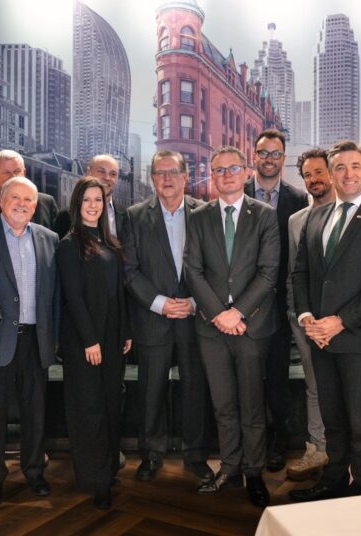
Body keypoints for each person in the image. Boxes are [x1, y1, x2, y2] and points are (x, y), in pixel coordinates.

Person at [289, 140, 361, 502]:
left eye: (355, 166)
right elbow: (300, 273)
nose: (348, 173)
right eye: (340, 167)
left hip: (357, 337)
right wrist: (307, 318)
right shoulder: (316, 217)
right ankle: (334, 482)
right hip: (319, 338)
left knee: (360, 421)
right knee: (333, 419)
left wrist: (339, 321)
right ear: (331, 174)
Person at [184, 145, 279, 508]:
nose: (226, 175)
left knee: (252, 405)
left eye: (233, 168)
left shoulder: (264, 215)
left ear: (246, 172)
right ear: (212, 175)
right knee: (223, 404)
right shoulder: (199, 217)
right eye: (219, 170)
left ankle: (254, 472)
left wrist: (237, 312)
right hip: (211, 329)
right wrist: (218, 314)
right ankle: (230, 467)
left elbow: (268, 272)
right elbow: (193, 271)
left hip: (251, 326)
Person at [121, 151, 212, 484]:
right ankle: (152, 454)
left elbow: (215, 267)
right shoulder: (134, 216)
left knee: (195, 389)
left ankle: (196, 454)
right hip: (153, 319)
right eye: (160, 173)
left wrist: (195, 302)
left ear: (186, 176)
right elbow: (129, 271)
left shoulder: (204, 213)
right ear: (152, 179)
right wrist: (160, 304)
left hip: (194, 317)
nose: (167, 178)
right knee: (151, 391)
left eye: (173, 172)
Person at [0, 177, 59, 504]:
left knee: (35, 412)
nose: (22, 204)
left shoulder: (49, 238)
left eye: (28, 200)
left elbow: (55, 294)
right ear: (1, 200)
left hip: (36, 339)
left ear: (35, 206)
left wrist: (53, 338)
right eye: (15, 198)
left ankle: (35, 472)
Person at [57, 176, 132, 510]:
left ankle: (108, 469)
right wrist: (90, 340)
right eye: (86, 200)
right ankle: (95, 480)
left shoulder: (109, 242)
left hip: (112, 339)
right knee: (89, 410)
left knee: (110, 406)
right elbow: (73, 298)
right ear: (77, 204)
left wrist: (125, 332)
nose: (92, 206)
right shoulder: (69, 244)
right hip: (85, 342)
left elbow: (119, 293)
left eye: (98, 200)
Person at [244, 130, 308, 471]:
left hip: (281, 304)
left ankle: (276, 441)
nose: (269, 159)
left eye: (276, 153)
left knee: (277, 377)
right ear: (254, 156)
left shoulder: (298, 199)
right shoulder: (237, 192)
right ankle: (248, 443)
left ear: (284, 158)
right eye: (263, 153)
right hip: (242, 305)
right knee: (247, 379)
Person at [285, 149, 334, 480]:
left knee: (354, 387)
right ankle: (318, 448)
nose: (314, 179)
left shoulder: (351, 214)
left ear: (331, 173)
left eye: (319, 172)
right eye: (307, 175)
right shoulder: (296, 221)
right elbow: (294, 273)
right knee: (314, 384)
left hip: (343, 322)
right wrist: (299, 315)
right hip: (305, 320)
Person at [0, 149, 58, 229]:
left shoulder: (47, 203)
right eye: (6, 173)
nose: (13, 177)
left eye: (17, 171)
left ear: (24, 173)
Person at [53, 154, 127, 239]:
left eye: (113, 174)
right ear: (88, 173)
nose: (107, 178)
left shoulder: (127, 216)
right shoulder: (66, 216)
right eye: (101, 171)